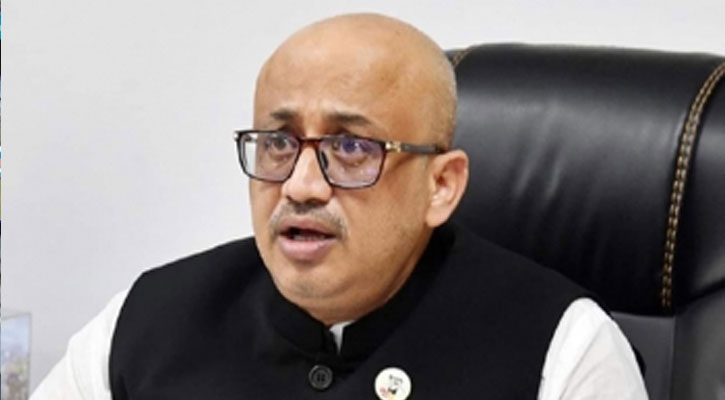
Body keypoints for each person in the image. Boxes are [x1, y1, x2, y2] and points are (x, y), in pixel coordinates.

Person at [31, 13, 647, 400]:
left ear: (441, 185)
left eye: (350, 148)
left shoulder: (561, 349)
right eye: (278, 143)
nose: (301, 186)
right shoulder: (146, 321)